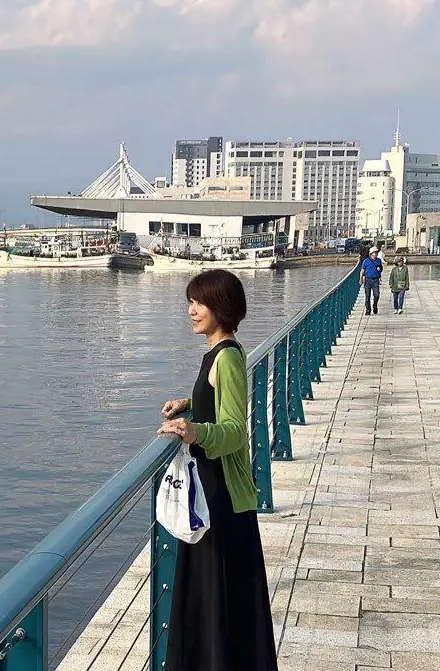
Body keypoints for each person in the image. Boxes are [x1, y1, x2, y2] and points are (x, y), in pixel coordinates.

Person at [158, 269, 278, 671]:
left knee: (217, 592)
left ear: (220, 307)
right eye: (190, 302)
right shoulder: (219, 352)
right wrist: (189, 404)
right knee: (215, 594)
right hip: (211, 491)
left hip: (221, 496)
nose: (191, 310)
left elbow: (233, 432)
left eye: (199, 302)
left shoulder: (226, 357)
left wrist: (194, 431)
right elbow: (215, 404)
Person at [361, 245, 383, 316]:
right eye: (375, 252)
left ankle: (375, 305)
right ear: (371, 253)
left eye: (376, 252)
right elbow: (362, 270)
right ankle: (368, 310)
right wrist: (361, 279)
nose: (376, 254)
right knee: (367, 296)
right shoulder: (366, 261)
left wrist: (380, 269)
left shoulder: (379, 260)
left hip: (375, 280)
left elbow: (381, 269)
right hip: (367, 280)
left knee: (376, 295)